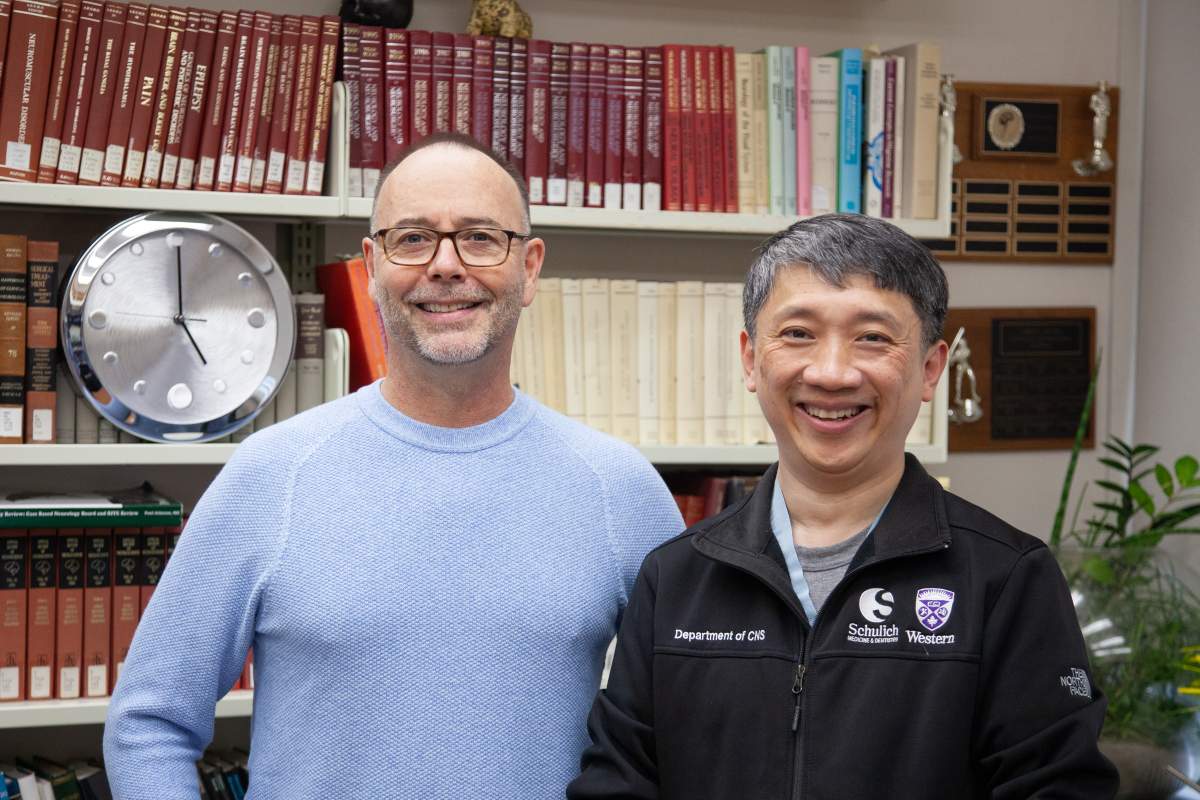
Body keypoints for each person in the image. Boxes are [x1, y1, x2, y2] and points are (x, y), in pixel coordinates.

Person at [104, 133, 684, 799]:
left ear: (529, 268)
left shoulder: (619, 489)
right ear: (373, 267)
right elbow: (149, 723)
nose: (445, 266)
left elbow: (690, 725)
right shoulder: (271, 475)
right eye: (413, 239)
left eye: (480, 237)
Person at [568, 214, 1118, 799]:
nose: (831, 373)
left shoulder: (1007, 579)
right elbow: (617, 784)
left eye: (873, 337)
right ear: (752, 359)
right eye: (799, 333)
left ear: (930, 369)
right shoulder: (675, 577)